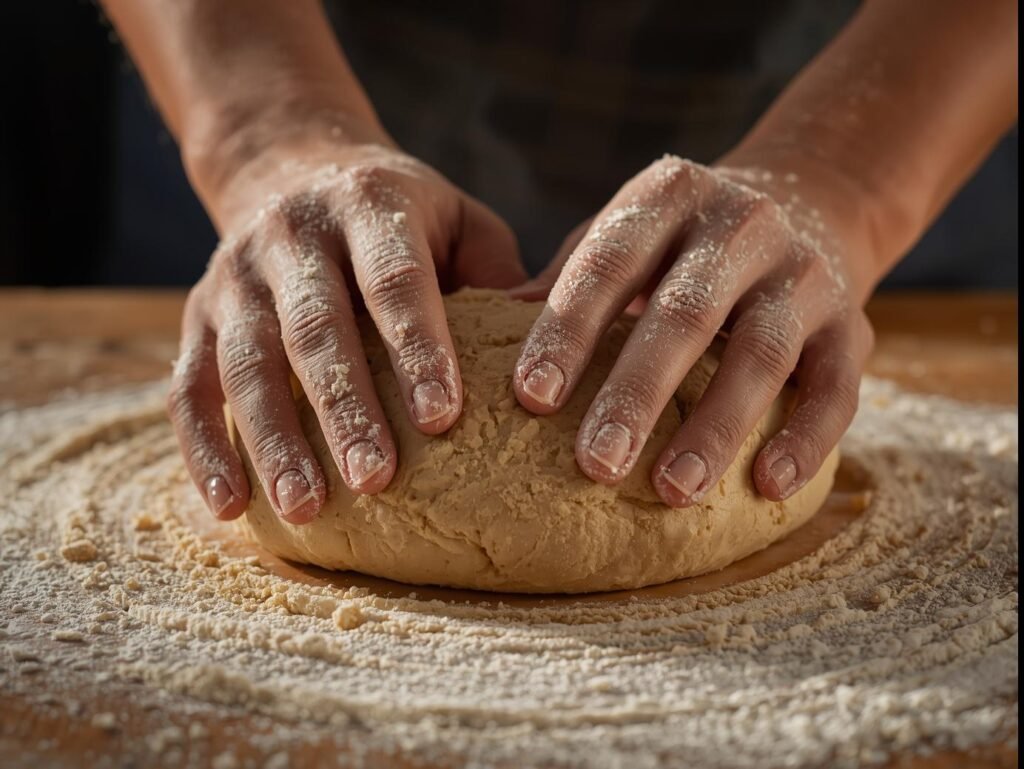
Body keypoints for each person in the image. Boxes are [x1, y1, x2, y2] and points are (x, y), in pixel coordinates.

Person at [99, 0, 1017, 524]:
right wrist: (265, 139)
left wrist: (845, 183)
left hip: (890, 95)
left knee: (768, 375)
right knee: (297, 368)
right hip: (289, 60)